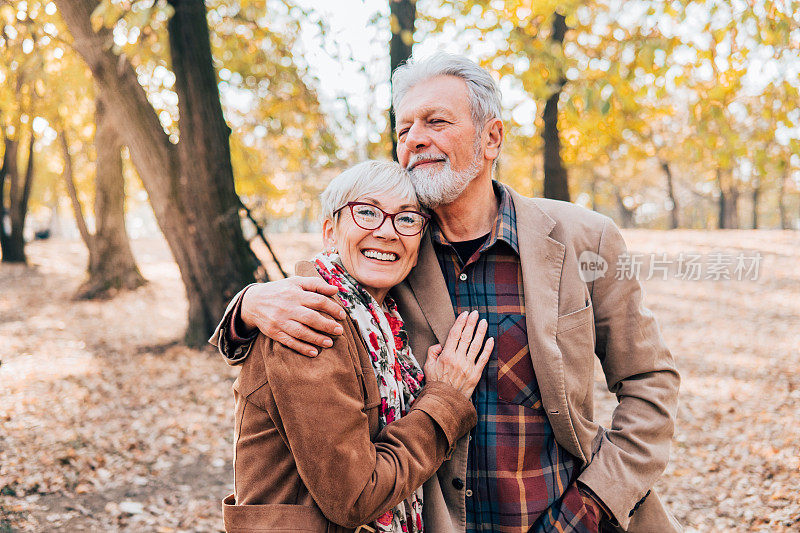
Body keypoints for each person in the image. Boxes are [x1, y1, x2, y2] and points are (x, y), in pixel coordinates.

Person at [212, 54, 681, 532]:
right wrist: (246, 305)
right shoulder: (392, 252)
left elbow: (650, 381)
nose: (415, 138)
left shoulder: (586, 238)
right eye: (404, 129)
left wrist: (594, 504)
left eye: (436, 121)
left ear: (491, 138)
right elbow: (322, 288)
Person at [214, 160, 495, 533]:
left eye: (407, 219)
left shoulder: (385, 319)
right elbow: (356, 497)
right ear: (330, 231)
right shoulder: (311, 320)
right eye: (366, 212)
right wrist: (444, 400)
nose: (387, 231)